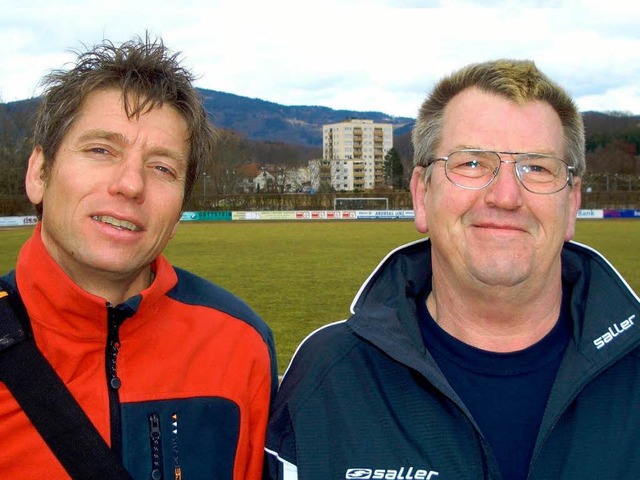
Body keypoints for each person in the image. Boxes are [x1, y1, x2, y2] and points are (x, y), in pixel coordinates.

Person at [265, 59, 640, 480]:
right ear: (422, 195)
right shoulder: (326, 379)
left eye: (536, 167)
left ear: (571, 204)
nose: (505, 196)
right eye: (472, 163)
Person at [0, 35, 277, 479]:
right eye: (100, 150)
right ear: (39, 173)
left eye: (162, 167)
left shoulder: (240, 343)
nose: (130, 184)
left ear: (180, 205)